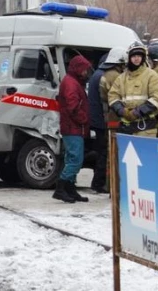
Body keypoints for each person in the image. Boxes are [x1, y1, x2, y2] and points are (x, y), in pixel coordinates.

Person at [53, 55, 92, 204]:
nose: (86, 73)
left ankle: (70, 189)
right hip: (73, 128)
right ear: (78, 69)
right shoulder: (71, 83)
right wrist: (84, 119)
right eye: (84, 70)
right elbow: (73, 107)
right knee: (75, 160)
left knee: (71, 158)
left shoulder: (72, 81)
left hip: (72, 127)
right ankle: (61, 188)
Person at [87, 47, 126, 193]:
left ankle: (98, 183)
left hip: (97, 120)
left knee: (102, 152)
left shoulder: (97, 74)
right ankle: (99, 183)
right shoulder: (111, 75)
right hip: (104, 121)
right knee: (105, 153)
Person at [109, 42, 158, 137]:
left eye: (139, 55)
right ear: (129, 58)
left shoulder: (151, 75)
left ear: (143, 58)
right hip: (126, 128)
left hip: (145, 128)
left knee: (145, 152)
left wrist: (138, 111)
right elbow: (112, 96)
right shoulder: (121, 78)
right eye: (134, 55)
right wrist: (121, 111)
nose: (136, 58)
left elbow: (157, 97)